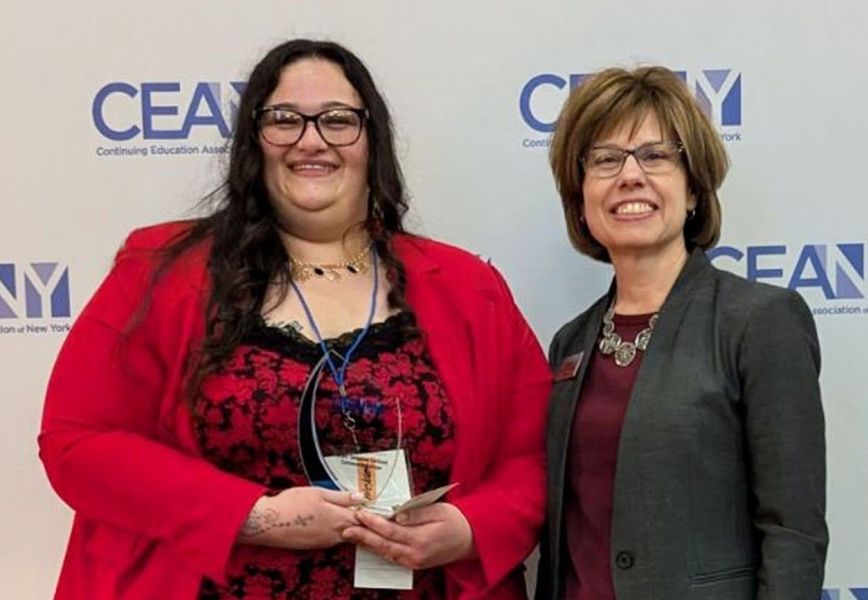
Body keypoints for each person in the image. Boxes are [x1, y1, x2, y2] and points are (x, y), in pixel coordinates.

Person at [39, 39, 550, 600]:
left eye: (337, 120)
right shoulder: (159, 273)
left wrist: (470, 529)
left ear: (372, 140)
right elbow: (78, 443)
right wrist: (255, 517)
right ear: (253, 141)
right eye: (284, 119)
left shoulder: (469, 288)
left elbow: (530, 458)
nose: (311, 140)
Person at [535, 66, 827, 600]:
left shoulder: (760, 321)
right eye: (605, 159)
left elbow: (793, 533)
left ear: (693, 188)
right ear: (580, 197)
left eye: (655, 155)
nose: (630, 176)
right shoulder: (569, 343)